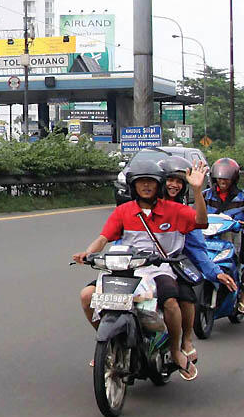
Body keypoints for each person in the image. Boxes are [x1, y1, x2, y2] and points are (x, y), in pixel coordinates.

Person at [74, 160, 209, 380]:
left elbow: (201, 221)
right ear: (133, 186)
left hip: (160, 269)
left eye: (151, 182)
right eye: (141, 182)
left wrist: (197, 190)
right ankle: (109, 342)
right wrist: (87, 254)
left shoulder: (175, 210)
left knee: (171, 303)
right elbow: (103, 238)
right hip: (127, 270)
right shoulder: (123, 211)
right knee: (87, 296)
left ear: (159, 185)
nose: (146, 186)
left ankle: (175, 350)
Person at [160, 156, 237, 366]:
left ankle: (185, 341)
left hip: (172, 264)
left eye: (179, 182)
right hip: (141, 264)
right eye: (170, 180)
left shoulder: (185, 212)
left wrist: (216, 273)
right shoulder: (137, 207)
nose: (173, 185)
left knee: (185, 297)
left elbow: (197, 246)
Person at [202, 158, 244, 314]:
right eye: (220, 177)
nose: (223, 181)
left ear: (234, 179)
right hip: (207, 241)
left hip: (237, 240)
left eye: (226, 178)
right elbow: (193, 213)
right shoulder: (204, 196)